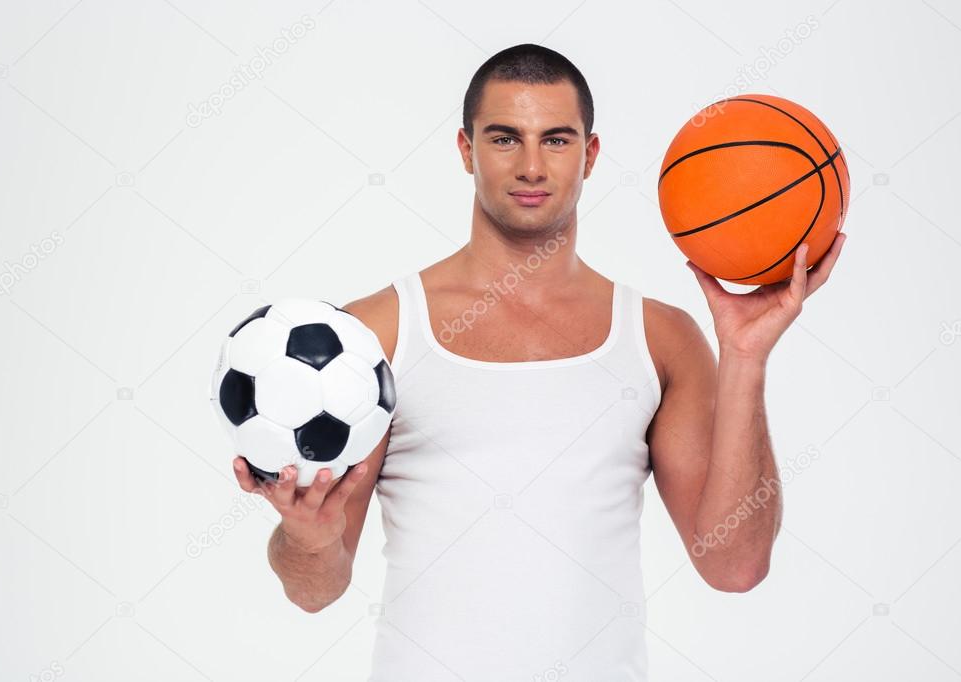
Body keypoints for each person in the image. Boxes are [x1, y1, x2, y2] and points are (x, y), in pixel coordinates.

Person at [232, 43, 847, 681]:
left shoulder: (660, 338)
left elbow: (735, 567)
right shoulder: (375, 335)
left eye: (556, 139)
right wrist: (305, 537)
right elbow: (316, 589)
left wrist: (745, 355)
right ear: (466, 150)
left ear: (591, 154)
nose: (531, 166)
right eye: (505, 139)